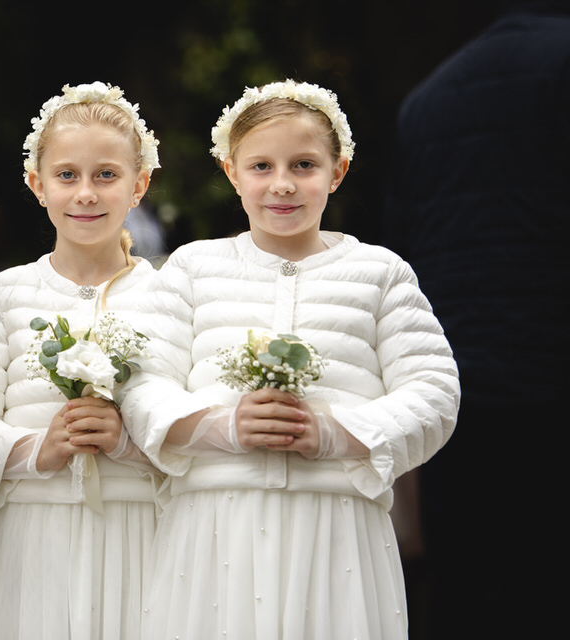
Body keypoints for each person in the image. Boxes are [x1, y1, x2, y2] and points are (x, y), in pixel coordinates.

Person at [120, 80, 460, 639]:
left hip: (337, 526)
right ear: (232, 172)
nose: (282, 184)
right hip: (214, 526)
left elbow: (434, 391)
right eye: (261, 166)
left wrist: (336, 434)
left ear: (338, 171)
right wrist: (222, 426)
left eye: (303, 164)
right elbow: (142, 383)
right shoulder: (191, 269)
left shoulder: (381, 273)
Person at [384, 3, 570, 636]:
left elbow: (404, 246)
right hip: (550, 368)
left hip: (457, 378)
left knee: (469, 579)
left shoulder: (426, 99)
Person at [0, 82, 176, 640]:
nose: (86, 193)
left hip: (143, 533)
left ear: (140, 185)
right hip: (32, 537)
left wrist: (129, 443)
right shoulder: (3, 296)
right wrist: (43, 448)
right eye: (67, 176)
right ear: (37, 185)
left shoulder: (171, 294)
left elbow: (194, 434)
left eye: (106, 175)